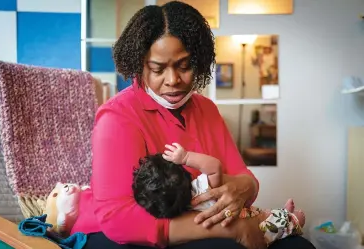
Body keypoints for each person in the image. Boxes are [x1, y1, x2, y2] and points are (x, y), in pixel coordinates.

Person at [70, 1, 316, 249]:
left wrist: (245, 187)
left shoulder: (206, 109)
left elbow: (245, 178)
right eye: (157, 69)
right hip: (129, 234)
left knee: (299, 247)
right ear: (140, 66)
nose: (173, 80)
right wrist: (234, 229)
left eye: (184, 66)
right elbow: (118, 219)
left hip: (202, 222)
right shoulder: (117, 117)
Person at [133, 143, 305, 249]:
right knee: (272, 230)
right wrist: (186, 157)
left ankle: (281, 213)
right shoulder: (201, 190)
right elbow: (215, 166)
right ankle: (293, 221)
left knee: (264, 215)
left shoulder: (177, 212)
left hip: (243, 213)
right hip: (248, 220)